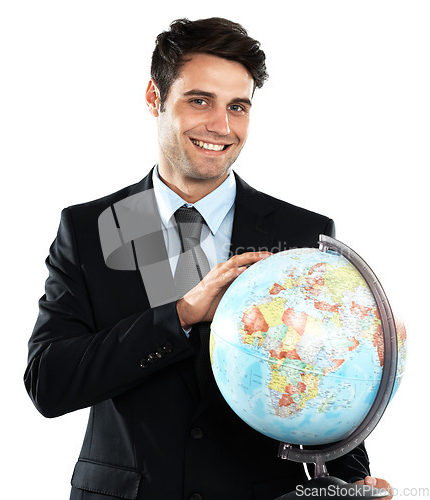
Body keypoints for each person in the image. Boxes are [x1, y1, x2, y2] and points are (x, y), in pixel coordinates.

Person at [25, 17, 392, 500]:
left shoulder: (301, 231)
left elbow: (331, 374)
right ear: (155, 98)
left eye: (237, 107)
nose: (221, 127)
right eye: (200, 100)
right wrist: (179, 315)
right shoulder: (94, 227)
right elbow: (49, 382)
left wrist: (348, 481)